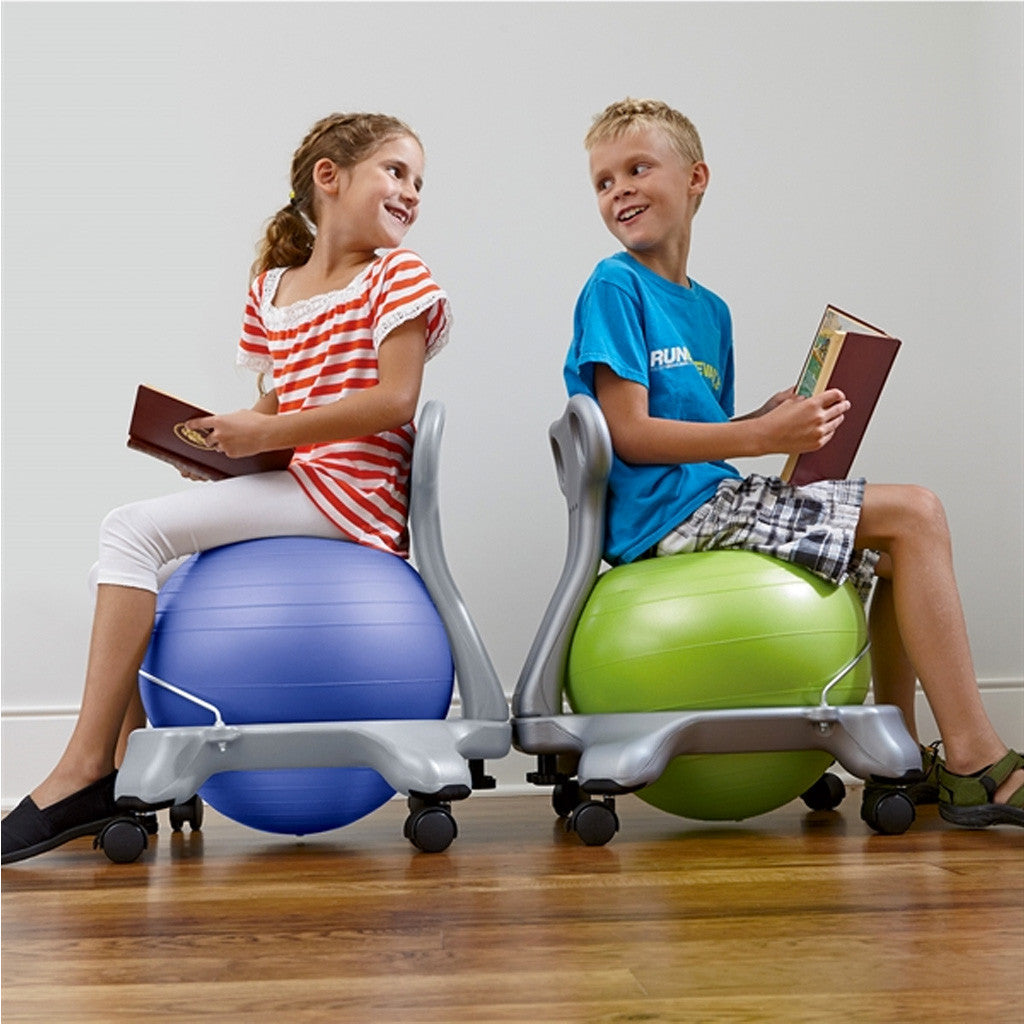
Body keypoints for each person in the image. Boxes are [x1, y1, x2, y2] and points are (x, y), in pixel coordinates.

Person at [2, 112, 451, 864]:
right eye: (395, 171)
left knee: (127, 530)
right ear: (329, 178)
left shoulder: (396, 277)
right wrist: (222, 450)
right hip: (300, 486)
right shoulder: (274, 289)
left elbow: (395, 401)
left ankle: (84, 771)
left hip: (352, 499)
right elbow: (276, 410)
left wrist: (265, 436)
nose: (410, 192)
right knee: (114, 567)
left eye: (417, 181)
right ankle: (131, 779)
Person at [564, 97, 1022, 829]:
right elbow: (631, 435)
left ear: (696, 178)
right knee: (918, 512)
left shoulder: (709, 310)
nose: (618, 189)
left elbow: (698, 433)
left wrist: (763, 421)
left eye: (638, 168)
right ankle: (973, 755)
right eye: (602, 180)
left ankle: (895, 754)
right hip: (668, 517)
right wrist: (760, 435)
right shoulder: (614, 286)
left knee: (898, 551)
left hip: (711, 499)